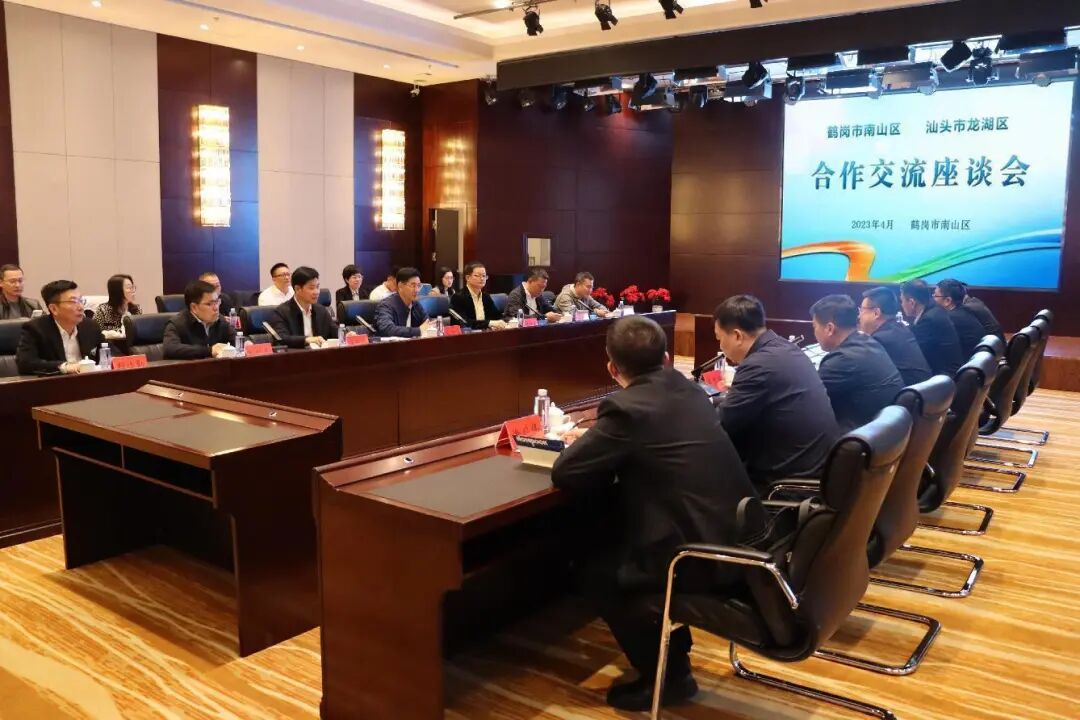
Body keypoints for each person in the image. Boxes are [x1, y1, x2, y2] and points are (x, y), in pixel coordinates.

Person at [552, 316, 756, 711]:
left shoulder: (627, 408)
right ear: (665, 359)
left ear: (612, 368)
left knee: (598, 571)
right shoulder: (690, 390)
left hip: (699, 555)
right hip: (738, 533)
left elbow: (567, 472)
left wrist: (596, 444)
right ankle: (673, 657)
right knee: (615, 537)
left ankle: (669, 676)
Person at [713, 295, 837, 488]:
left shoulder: (758, 365)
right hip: (816, 470)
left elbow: (721, 425)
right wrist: (713, 402)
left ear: (737, 336)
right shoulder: (785, 348)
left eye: (720, 338)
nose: (720, 346)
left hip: (785, 486)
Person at [811, 294, 905, 432]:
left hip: (860, 435)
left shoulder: (841, 360)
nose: (814, 332)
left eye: (814, 326)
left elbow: (807, 400)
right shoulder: (869, 342)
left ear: (830, 328)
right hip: (887, 433)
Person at [16, 280, 104, 374]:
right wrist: (65, 367)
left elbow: (109, 352)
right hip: (55, 382)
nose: (81, 307)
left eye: (81, 301)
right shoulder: (35, 329)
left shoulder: (90, 326)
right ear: (54, 309)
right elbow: (25, 364)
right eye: (73, 301)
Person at [859, 287, 932, 386]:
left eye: (862, 310)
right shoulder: (902, 329)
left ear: (876, 313)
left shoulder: (879, 340)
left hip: (908, 393)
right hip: (923, 391)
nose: (859, 316)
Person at [900, 279, 963, 377]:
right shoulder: (934, 309)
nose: (901, 305)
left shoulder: (928, 320)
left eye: (902, 301)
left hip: (945, 377)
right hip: (947, 371)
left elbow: (913, 352)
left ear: (912, 302)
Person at [163, 280, 237, 360]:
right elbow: (170, 349)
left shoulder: (220, 321)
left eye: (216, 302)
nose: (216, 308)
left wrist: (244, 344)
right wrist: (209, 350)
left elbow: (236, 340)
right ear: (194, 307)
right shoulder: (177, 324)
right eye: (209, 304)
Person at [268, 266, 338, 348]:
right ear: (297, 289)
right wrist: (306, 340)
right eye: (311, 288)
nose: (316, 292)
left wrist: (346, 334)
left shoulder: (321, 310)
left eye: (317, 287)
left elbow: (335, 331)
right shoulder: (281, 312)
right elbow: (281, 338)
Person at [934, 278, 993, 358]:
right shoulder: (965, 311)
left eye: (935, 295)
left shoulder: (949, 319)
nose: (932, 299)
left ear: (947, 300)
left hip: (967, 362)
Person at [374, 267, 431, 338]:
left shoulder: (416, 304)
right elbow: (387, 329)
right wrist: (418, 331)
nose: (417, 290)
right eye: (413, 285)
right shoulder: (386, 305)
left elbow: (427, 323)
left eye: (418, 285)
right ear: (400, 285)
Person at [449, 262, 502, 330]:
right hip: (468, 334)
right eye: (477, 275)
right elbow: (464, 322)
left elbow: (497, 316)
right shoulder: (458, 297)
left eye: (484, 276)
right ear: (468, 278)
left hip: (486, 333)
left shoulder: (486, 297)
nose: (482, 278)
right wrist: (489, 323)